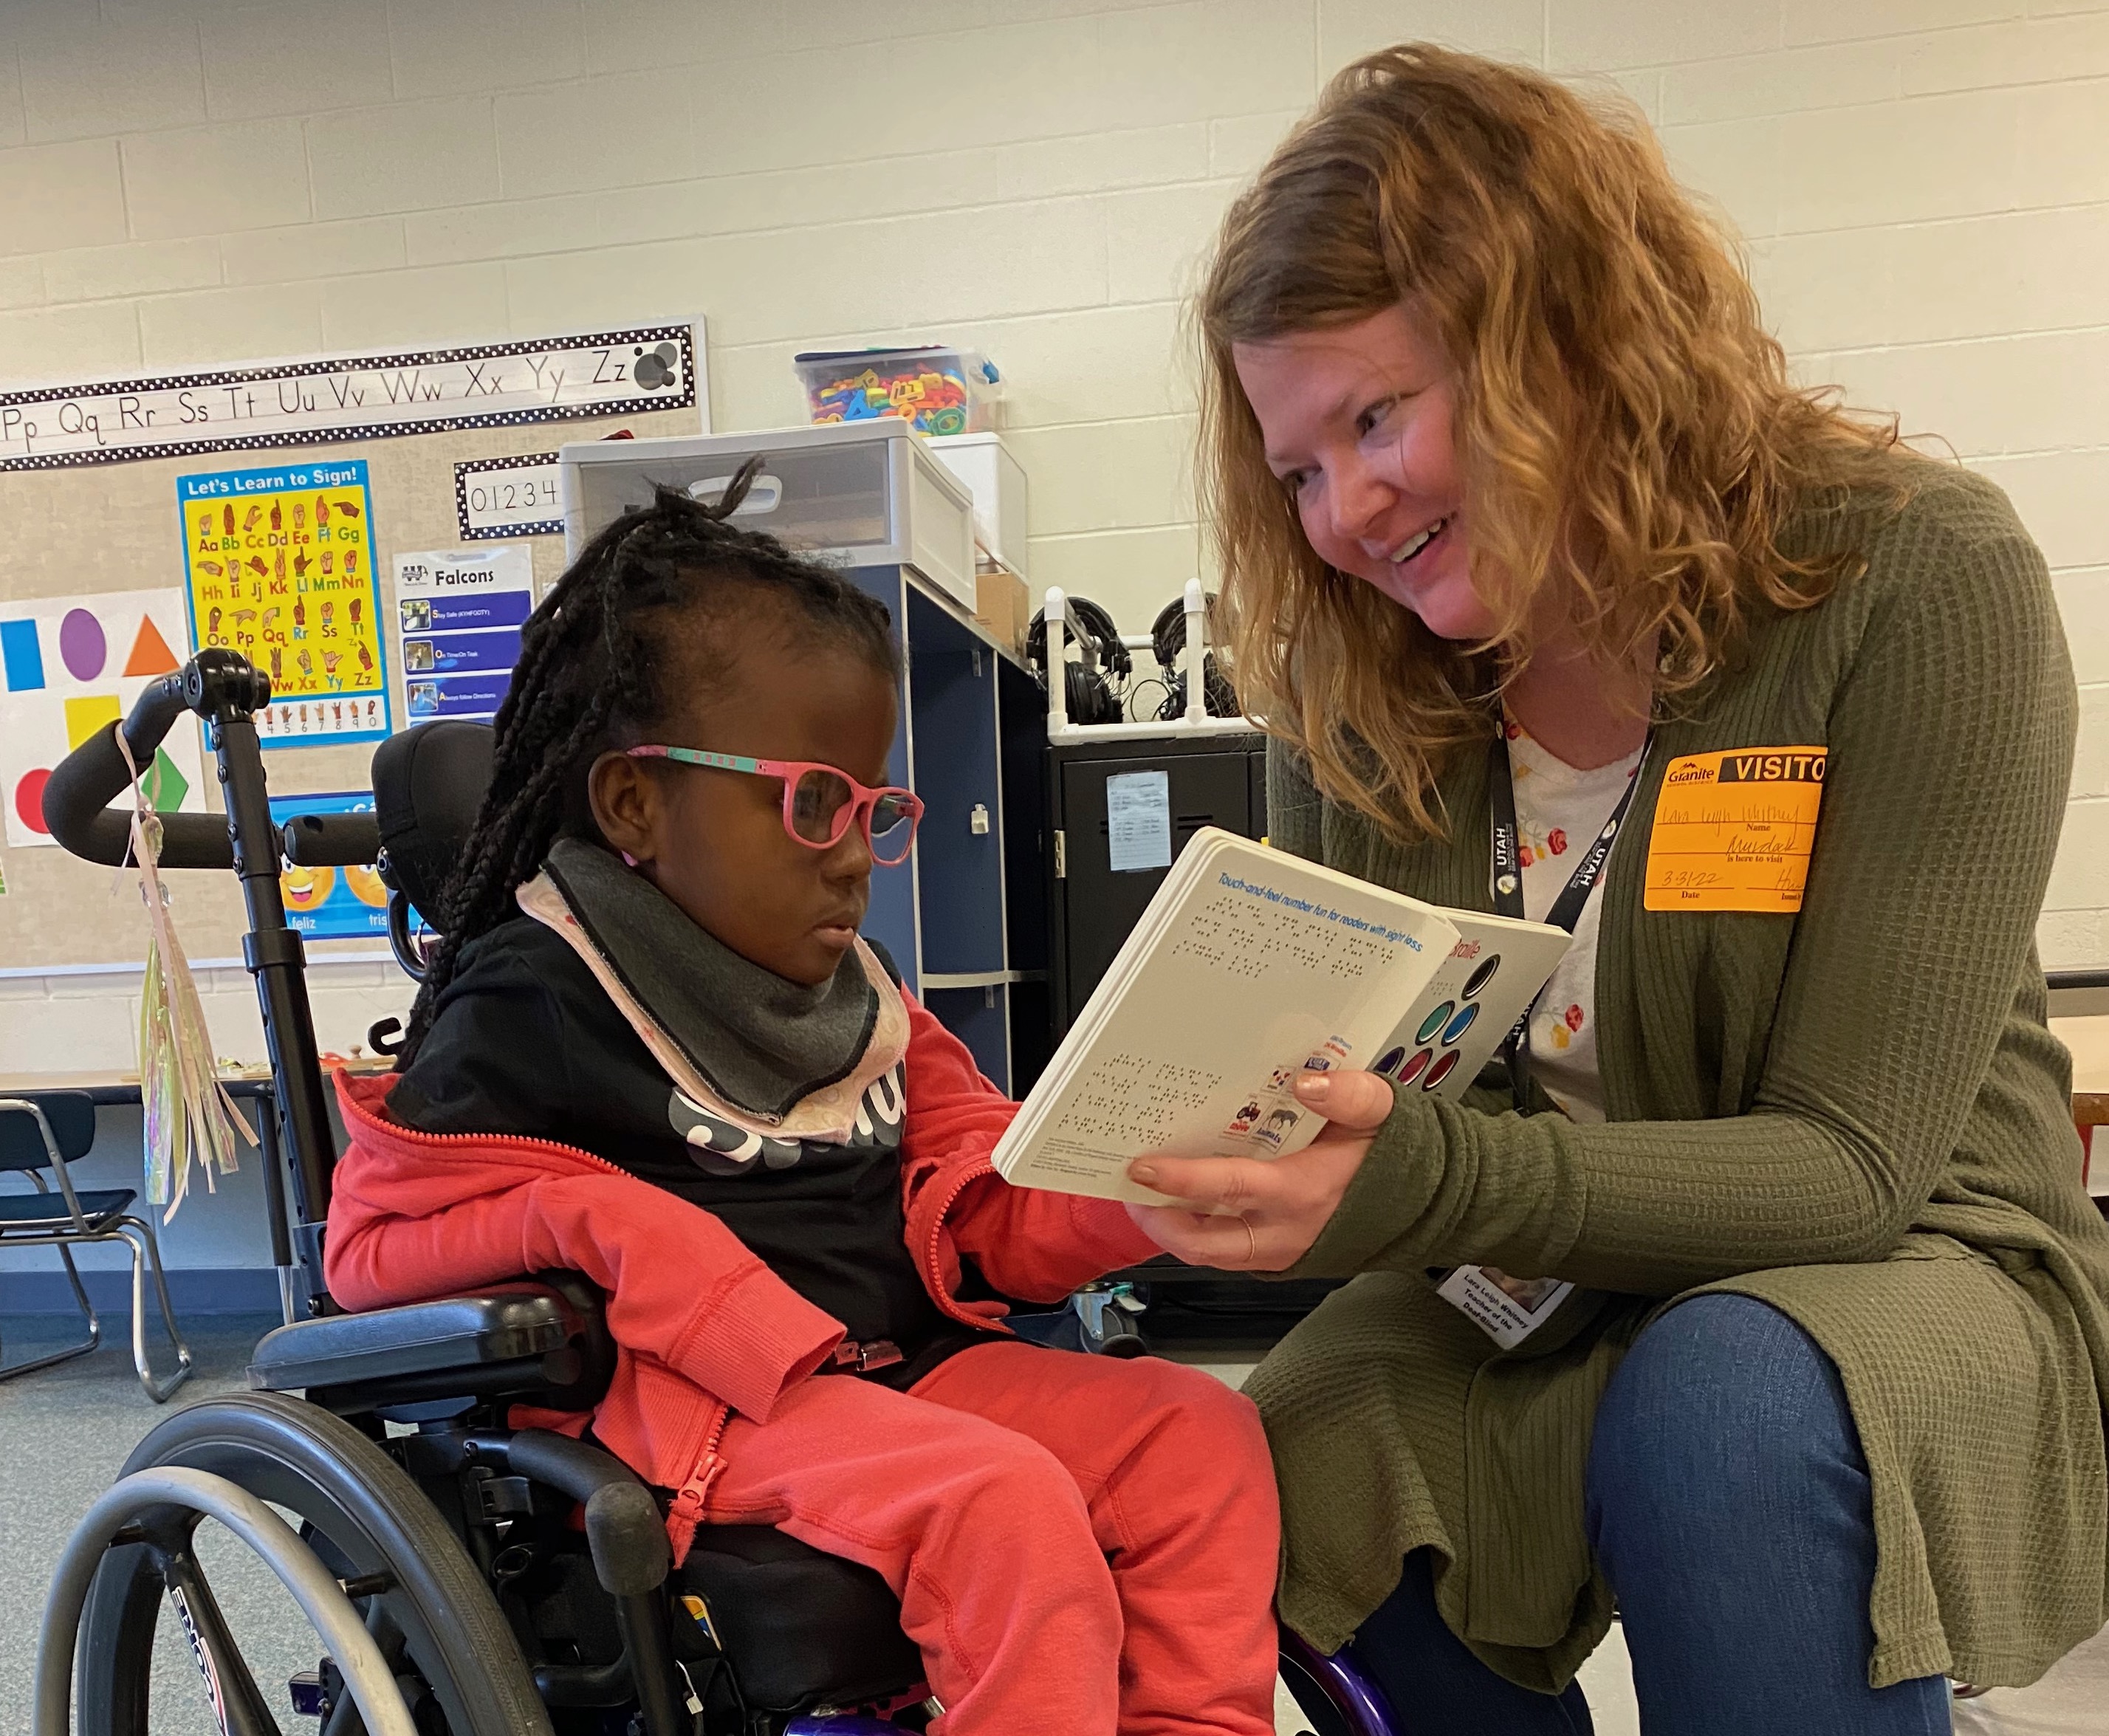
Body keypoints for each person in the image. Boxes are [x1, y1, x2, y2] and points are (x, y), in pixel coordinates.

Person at [1128, 43, 2109, 1736]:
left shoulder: (1918, 577)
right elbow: (1383, 1134)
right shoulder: (1359, 694)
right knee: (1267, 1443)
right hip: (1539, 1272)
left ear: (1560, 338)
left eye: (1378, 418)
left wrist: (1407, 1171)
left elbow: (1853, 1170)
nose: (1347, 512)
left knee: (1721, 1407)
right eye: (1296, 469)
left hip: (1916, 1248)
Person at [323, 470, 1280, 1736]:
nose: (851, 852)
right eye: (810, 801)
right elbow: (369, 1249)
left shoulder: (863, 995)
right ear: (635, 805)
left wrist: (1144, 1184)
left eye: (873, 807)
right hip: (694, 1417)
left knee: (1197, 1433)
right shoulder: (535, 991)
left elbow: (984, 1199)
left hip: (904, 1373)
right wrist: (606, 1231)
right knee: (1001, 1507)